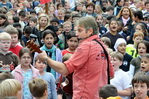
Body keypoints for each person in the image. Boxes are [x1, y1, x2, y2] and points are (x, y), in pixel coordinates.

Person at [37, 16, 114, 99]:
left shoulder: (86, 46)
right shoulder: (102, 46)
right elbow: (111, 74)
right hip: (100, 95)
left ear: (90, 31)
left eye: (80, 31)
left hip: (84, 95)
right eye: (76, 30)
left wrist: (46, 58)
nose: (76, 34)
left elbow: (64, 69)